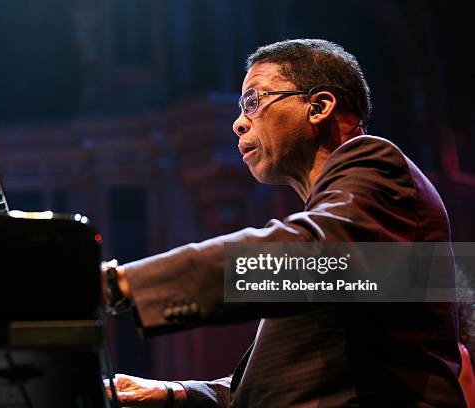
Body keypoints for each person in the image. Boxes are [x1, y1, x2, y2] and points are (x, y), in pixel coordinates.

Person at [102, 39, 469, 407]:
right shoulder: (330, 231)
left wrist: (121, 284)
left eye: (253, 101)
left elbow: (313, 252)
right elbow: (277, 387)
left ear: (319, 106)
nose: (238, 123)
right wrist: (172, 392)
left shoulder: (377, 165)